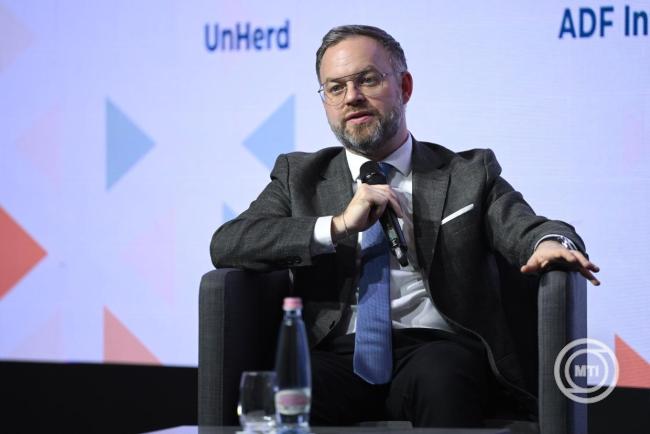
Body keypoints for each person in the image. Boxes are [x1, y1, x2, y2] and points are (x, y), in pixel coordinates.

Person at [211, 25, 600, 427]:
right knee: (283, 395)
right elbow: (228, 243)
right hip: (335, 354)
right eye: (335, 88)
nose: (352, 97)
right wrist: (337, 225)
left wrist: (549, 243)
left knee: (444, 379)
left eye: (367, 80)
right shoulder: (300, 176)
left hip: (435, 348)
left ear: (405, 87)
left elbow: (527, 227)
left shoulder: (467, 174)